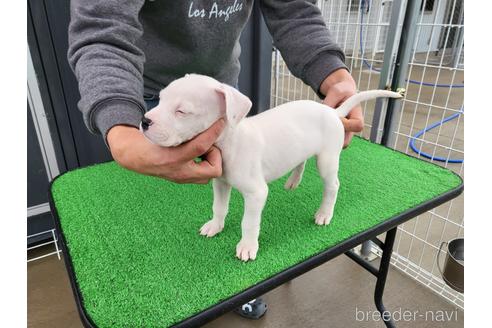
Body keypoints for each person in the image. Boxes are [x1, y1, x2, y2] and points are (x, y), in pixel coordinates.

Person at [68, 0, 363, 320]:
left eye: (176, 110)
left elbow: (294, 10)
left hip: (220, 91)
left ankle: (250, 278)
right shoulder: (161, 108)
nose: (148, 119)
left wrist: (333, 77)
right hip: (147, 83)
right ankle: (214, 223)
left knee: (321, 170)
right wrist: (122, 133)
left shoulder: (235, 121)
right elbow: (101, 27)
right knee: (211, 177)